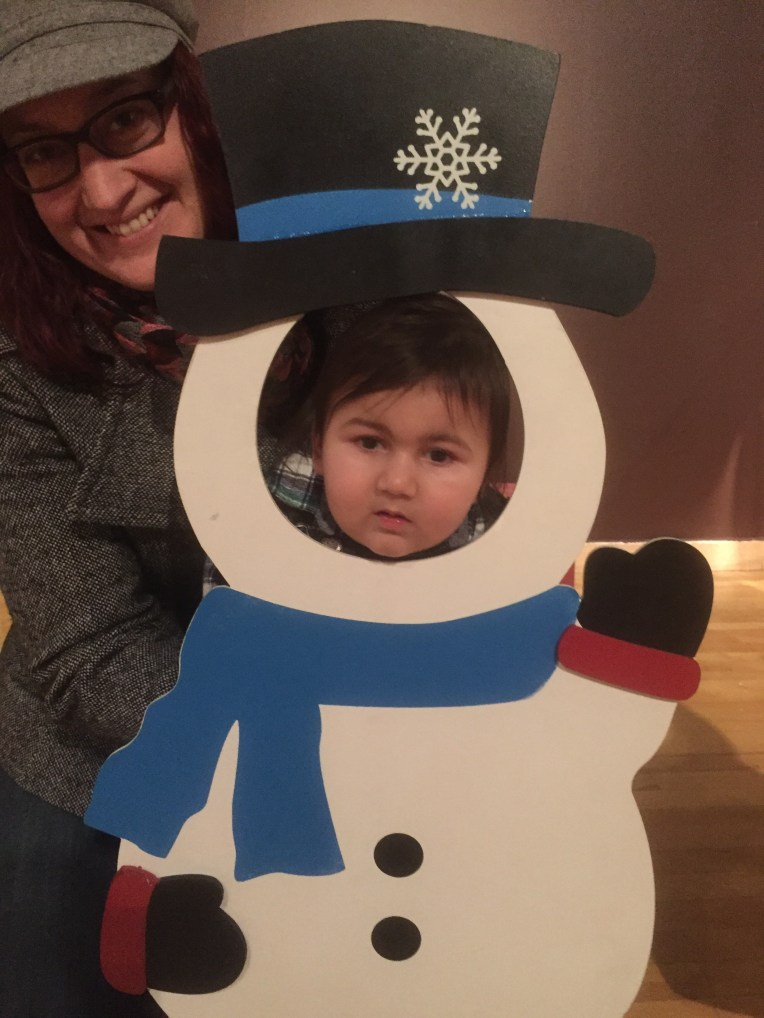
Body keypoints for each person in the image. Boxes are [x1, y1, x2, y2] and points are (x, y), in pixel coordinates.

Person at [0, 2, 237, 1014]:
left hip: (350, 702)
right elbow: (84, 637)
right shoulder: (18, 357)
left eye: (126, 118)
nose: (99, 191)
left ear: (192, 107)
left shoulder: (340, 282)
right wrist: (271, 741)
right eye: (43, 151)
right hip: (95, 732)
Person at [266, 294, 511, 560]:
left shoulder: (507, 547)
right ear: (318, 448)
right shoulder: (268, 510)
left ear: (483, 479)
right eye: (369, 442)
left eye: (439, 455)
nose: (397, 484)